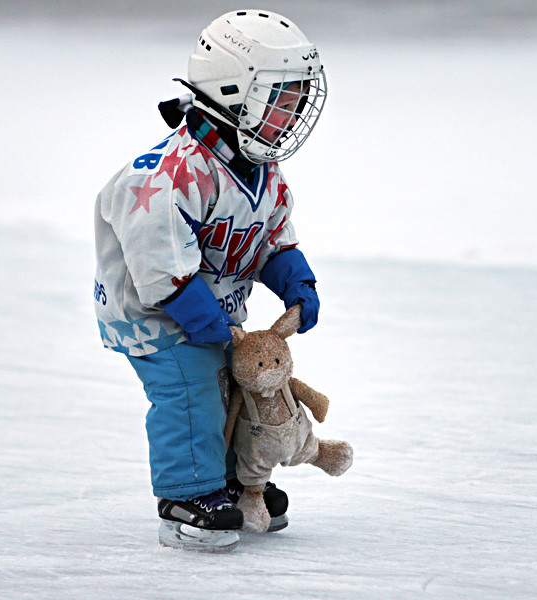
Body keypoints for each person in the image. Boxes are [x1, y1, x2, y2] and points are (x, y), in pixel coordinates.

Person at [92, 9, 327, 551]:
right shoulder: (164, 177)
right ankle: (186, 496)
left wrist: (297, 284)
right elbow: (162, 273)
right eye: (280, 96)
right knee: (193, 391)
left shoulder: (262, 170)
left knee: (229, 389)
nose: (291, 111)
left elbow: (271, 239)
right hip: (154, 316)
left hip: (216, 312)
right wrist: (215, 328)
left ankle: (232, 484)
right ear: (233, 90)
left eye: (297, 96)